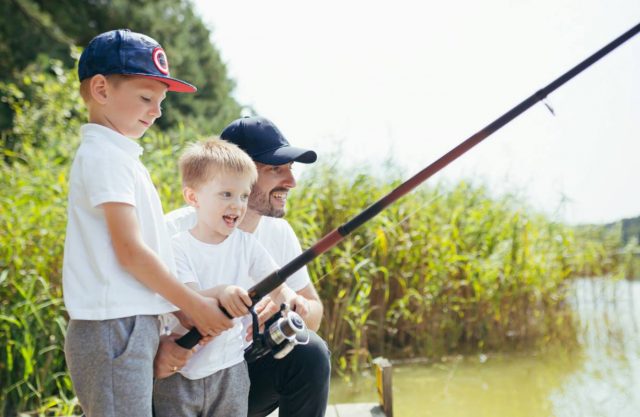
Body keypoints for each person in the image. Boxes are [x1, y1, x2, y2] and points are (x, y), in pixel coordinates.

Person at [62, 29, 231, 417]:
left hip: (127, 325)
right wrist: (193, 304)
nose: (157, 111)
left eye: (161, 100)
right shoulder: (105, 156)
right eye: (145, 97)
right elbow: (131, 252)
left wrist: (178, 312)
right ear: (101, 90)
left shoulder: (119, 155)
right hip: (113, 329)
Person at [160, 116, 331, 417]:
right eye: (276, 170)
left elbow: (314, 315)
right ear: (237, 172)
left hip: (236, 375)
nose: (291, 182)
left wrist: (289, 307)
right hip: (174, 378)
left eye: (291, 171)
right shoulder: (173, 231)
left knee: (310, 352)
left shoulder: (278, 233)